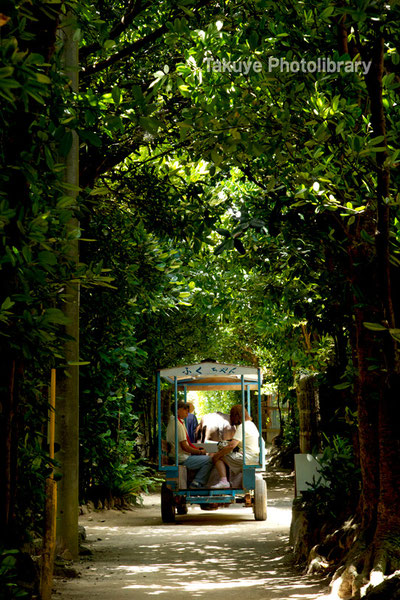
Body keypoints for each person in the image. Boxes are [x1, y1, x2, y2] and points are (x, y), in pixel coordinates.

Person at [210, 404, 260, 489]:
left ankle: (224, 481)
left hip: (247, 458)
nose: (231, 418)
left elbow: (231, 445)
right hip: (253, 457)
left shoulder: (242, 426)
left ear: (236, 416)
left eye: (232, 416)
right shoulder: (251, 424)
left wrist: (217, 455)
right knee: (222, 454)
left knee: (217, 456)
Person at [166, 401, 213, 489]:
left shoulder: (176, 421)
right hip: (181, 458)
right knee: (209, 460)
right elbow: (185, 446)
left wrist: (197, 449)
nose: (187, 411)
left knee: (204, 457)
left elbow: (187, 443)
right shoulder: (177, 425)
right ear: (178, 410)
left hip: (177, 455)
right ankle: (197, 482)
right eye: (184, 409)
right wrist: (199, 452)